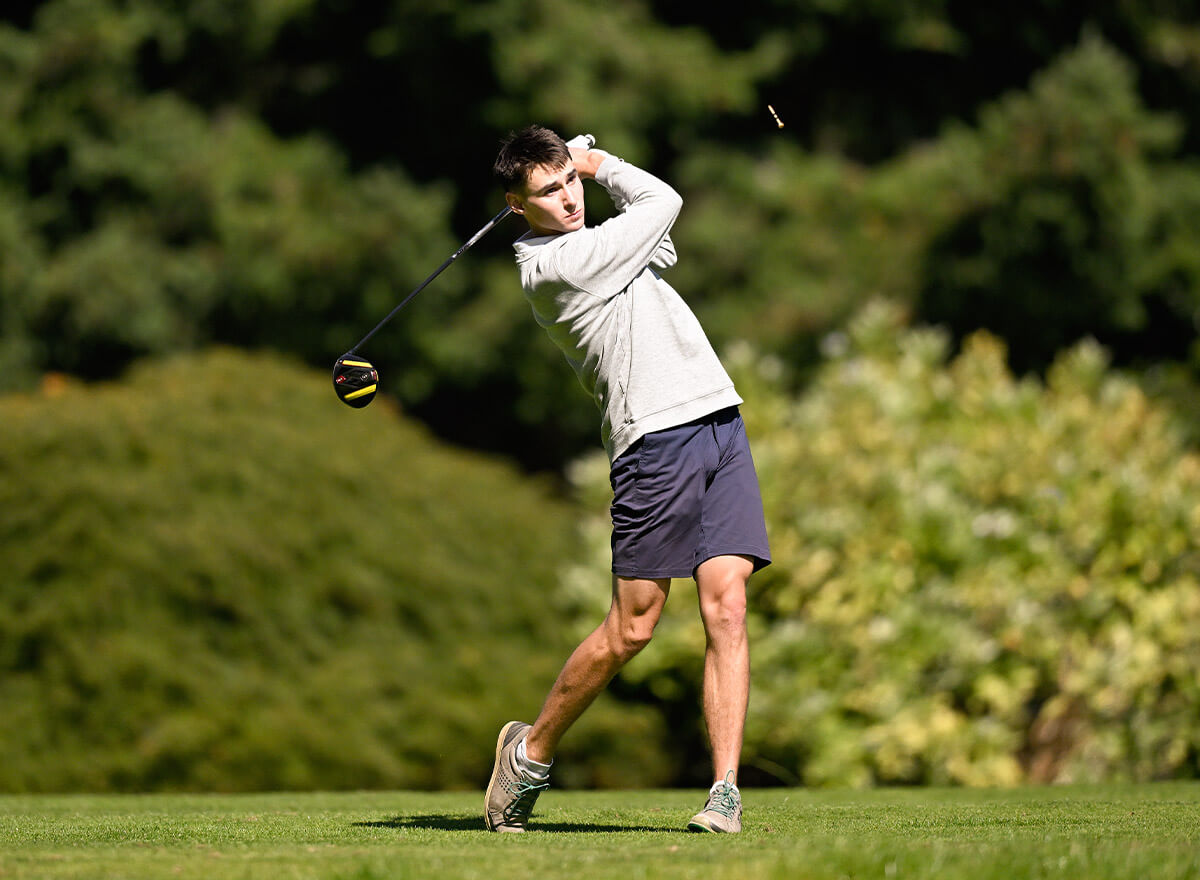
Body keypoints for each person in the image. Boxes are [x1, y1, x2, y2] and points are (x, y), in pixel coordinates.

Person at [484, 125, 770, 834]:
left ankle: (724, 793)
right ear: (517, 206)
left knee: (727, 607)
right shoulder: (554, 267)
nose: (568, 199)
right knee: (633, 627)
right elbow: (662, 198)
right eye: (547, 192)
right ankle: (529, 753)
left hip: (717, 419)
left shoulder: (599, 233)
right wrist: (599, 161)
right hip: (653, 441)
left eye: (569, 182)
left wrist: (587, 170)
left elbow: (649, 210)